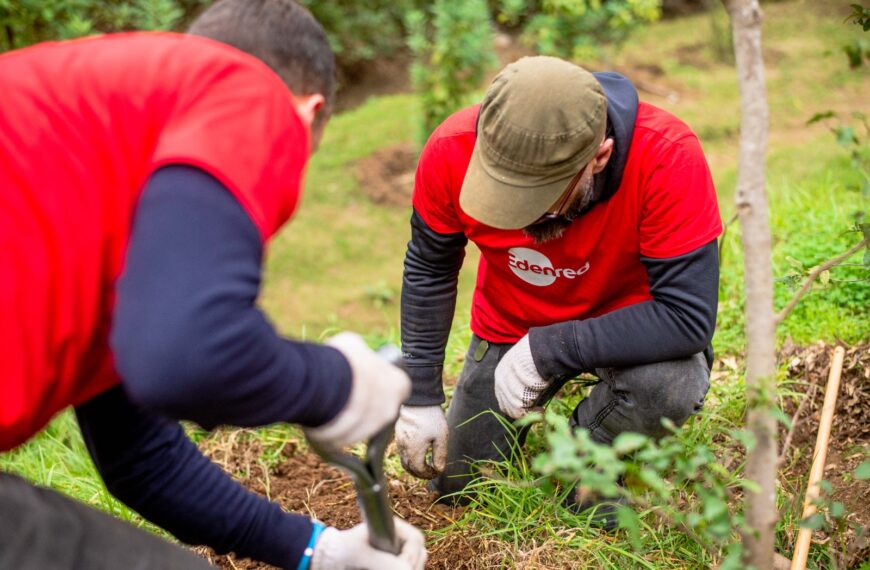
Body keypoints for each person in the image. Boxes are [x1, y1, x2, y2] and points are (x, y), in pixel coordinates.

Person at [0, 1, 426, 569]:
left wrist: (317, 551)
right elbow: (185, 355)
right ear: (309, 111)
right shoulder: (247, 90)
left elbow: (142, 456)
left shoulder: (91, 185)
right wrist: (338, 384)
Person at [395, 56, 722, 521]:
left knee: (668, 387)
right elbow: (430, 266)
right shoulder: (451, 148)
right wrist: (421, 392)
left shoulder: (667, 156)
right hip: (511, 320)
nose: (518, 219)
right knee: (462, 492)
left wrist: (553, 349)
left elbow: (686, 318)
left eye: (538, 200)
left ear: (599, 158)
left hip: (632, 331)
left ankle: (583, 464)